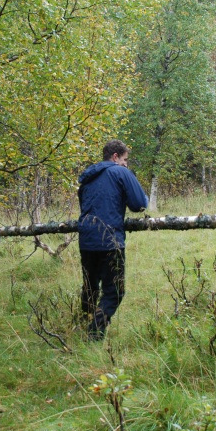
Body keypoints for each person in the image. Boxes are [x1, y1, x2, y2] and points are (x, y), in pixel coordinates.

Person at [77, 140, 148, 340]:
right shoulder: (120, 172)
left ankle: (81, 322)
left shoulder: (88, 178)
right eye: (125, 160)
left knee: (90, 287)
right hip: (110, 240)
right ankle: (94, 333)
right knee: (114, 292)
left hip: (86, 240)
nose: (127, 164)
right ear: (115, 157)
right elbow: (139, 204)